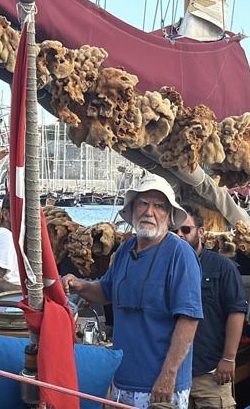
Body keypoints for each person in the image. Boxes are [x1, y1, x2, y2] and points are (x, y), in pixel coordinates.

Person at [62, 174, 203, 409]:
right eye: (143, 203)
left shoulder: (181, 254)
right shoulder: (125, 250)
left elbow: (188, 319)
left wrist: (168, 375)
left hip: (160, 386)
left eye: (159, 206)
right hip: (122, 380)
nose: (149, 212)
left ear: (169, 216)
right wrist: (80, 285)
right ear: (133, 209)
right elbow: (106, 291)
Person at [175, 206, 247, 409]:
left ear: (201, 232)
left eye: (185, 229)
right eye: (173, 231)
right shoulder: (165, 268)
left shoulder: (223, 267)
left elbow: (236, 311)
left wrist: (228, 358)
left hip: (210, 372)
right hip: (173, 373)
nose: (179, 235)